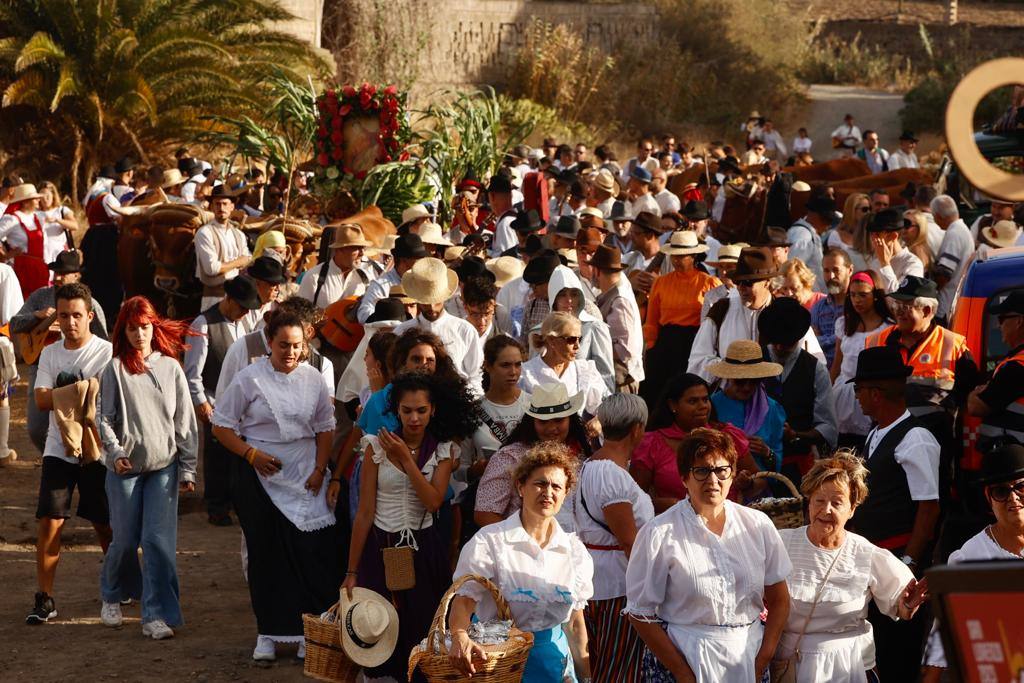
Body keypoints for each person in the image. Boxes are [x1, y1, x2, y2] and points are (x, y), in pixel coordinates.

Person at [212, 311, 339, 661]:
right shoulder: (249, 378)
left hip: (305, 471)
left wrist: (319, 468)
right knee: (266, 553)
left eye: (297, 345)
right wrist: (251, 454)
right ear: (269, 342)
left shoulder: (314, 378)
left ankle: (305, 632)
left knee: (307, 552)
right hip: (261, 475)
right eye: (283, 345)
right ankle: (268, 633)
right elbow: (221, 426)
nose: (291, 352)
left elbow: (325, 426)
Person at [625, 427, 792, 682]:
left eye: (721, 470)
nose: (713, 481)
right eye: (701, 471)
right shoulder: (659, 532)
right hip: (687, 657)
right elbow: (640, 613)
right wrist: (682, 672)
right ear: (684, 477)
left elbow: (779, 599)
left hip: (748, 657)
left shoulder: (757, 525)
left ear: (733, 474)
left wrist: (763, 657)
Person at [344, 371, 478, 681]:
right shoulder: (374, 446)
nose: (414, 418)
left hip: (424, 547)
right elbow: (364, 512)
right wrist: (351, 572)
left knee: (423, 633)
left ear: (433, 410)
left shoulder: (444, 449)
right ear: (396, 411)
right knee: (378, 632)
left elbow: (433, 501)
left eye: (421, 410)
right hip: (379, 547)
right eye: (407, 410)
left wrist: (406, 459)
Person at [775, 451, 928, 683]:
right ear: (809, 503)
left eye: (837, 503)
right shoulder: (781, 543)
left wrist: (908, 604)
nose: (827, 510)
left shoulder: (865, 553)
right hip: (790, 666)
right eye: (819, 500)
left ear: (852, 509)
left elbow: (902, 605)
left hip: (847, 667)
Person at [96, 296, 199, 639]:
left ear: (154, 328)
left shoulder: (171, 368)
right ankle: (112, 594)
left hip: (164, 468)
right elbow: (104, 418)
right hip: (125, 469)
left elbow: (184, 422)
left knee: (157, 543)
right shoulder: (115, 369)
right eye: (132, 328)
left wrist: (187, 469)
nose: (139, 334)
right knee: (124, 540)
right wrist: (114, 452)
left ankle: (155, 615)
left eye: (144, 327)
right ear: (122, 331)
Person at [449, 442, 593, 682]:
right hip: (496, 663)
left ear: (565, 493)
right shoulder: (489, 542)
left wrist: (586, 678)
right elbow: (464, 603)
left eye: (557, 486)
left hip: (553, 666)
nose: (548, 492)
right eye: (540, 483)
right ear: (520, 486)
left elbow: (576, 624)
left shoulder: (575, 552)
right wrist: (459, 636)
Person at [849, 346, 942, 680]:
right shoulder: (876, 433)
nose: (857, 398)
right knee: (877, 648)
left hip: (899, 560)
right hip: (874, 559)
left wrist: (909, 564)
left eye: (859, 390)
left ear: (876, 394)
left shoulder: (916, 439)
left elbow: (928, 509)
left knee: (897, 650)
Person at [26, 282, 114, 625]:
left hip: (96, 450)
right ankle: (45, 597)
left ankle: (118, 583)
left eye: (77, 315)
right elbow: (40, 400)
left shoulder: (106, 352)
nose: (70, 322)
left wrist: (65, 393)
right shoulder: (49, 353)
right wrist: (84, 389)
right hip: (57, 449)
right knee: (49, 522)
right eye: (63, 316)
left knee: (105, 525)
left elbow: (97, 398)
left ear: (90, 316)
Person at [921, 443, 1024, 680]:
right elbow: (944, 634)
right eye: (1001, 491)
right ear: (989, 498)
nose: (1013, 498)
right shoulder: (970, 556)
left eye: (1021, 487)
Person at [569, 394, 652, 683]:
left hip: (598, 579)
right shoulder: (610, 474)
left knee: (602, 666)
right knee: (618, 670)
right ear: (637, 429)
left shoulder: (591, 466)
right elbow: (629, 541)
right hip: (618, 587)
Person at [10, 251, 107, 453]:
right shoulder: (40, 296)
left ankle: (77, 457)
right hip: (41, 364)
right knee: (36, 428)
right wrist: (36, 316)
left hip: (80, 370)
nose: (59, 277)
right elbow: (15, 324)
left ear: (77, 275)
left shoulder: (91, 304)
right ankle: (55, 456)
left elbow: (103, 339)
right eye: (56, 272)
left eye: (65, 273)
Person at [184, 275, 261, 526]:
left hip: (241, 401)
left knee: (238, 456)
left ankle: (235, 502)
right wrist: (202, 403)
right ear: (228, 299)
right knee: (217, 457)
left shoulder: (243, 323)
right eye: (241, 307)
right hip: (215, 400)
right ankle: (217, 506)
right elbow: (193, 372)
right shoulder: (203, 324)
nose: (243, 313)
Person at [689, 247, 825, 382]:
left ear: (767, 282)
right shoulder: (721, 310)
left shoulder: (787, 313)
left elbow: (816, 365)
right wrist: (730, 369)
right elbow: (697, 360)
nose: (741, 288)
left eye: (748, 282)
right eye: (738, 282)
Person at [474, 383, 593, 529]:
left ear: (570, 420)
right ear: (532, 422)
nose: (551, 428)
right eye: (543, 421)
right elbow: (485, 513)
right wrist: (523, 543)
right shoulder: (509, 457)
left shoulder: (583, 456)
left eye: (558, 420)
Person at [632, 373, 754, 512]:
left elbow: (760, 479)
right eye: (693, 401)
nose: (702, 406)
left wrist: (747, 483)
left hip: (726, 523)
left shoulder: (727, 436)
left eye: (705, 399)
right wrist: (669, 505)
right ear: (673, 405)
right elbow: (636, 498)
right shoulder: (652, 443)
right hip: (674, 524)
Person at [759, 297, 839, 479]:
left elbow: (828, 427)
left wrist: (795, 434)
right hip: (756, 464)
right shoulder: (755, 362)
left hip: (798, 464)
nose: (779, 346)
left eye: (786, 342)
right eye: (776, 340)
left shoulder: (815, 369)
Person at [642, 231, 720, 403]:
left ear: (693, 256)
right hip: (665, 342)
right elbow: (652, 319)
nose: (676, 260)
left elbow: (718, 320)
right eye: (674, 256)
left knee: (689, 391)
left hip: (696, 342)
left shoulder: (709, 283)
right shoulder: (661, 282)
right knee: (658, 393)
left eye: (682, 256)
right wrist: (651, 346)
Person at [463, 336, 531, 525]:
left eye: (518, 365)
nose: (513, 372)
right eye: (505, 365)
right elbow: (459, 470)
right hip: (488, 508)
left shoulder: (533, 405)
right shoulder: (473, 411)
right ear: (488, 366)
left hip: (529, 501)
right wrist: (477, 470)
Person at [392, 257, 485, 395]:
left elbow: (475, 375)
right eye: (425, 301)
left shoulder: (464, 330)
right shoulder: (401, 332)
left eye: (436, 301)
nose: (431, 307)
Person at [831, 270, 892, 449]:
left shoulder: (887, 328)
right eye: (853, 295)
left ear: (875, 296)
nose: (857, 300)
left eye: (863, 295)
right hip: (843, 393)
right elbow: (837, 364)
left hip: (869, 393)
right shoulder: (844, 324)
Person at [709, 339, 788, 474]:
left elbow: (778, 464)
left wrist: (767, 452)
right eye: (741, 381)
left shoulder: (772, 409)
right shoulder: (711, 406)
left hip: (760, 488)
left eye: (754, 381)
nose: (747, 387)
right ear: (729, 377)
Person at [520, 312, 608, 418]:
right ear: (552, 340)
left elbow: (604, 406)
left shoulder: (584, 370)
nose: (577, 346)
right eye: (571, 340)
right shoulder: (525, 373)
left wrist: (598, 420)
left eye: (579, 339)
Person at [548, 265, 615, 391]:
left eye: (573, 294)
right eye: (562, 294)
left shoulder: (595, 327)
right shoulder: (540, 331)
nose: (569, 300)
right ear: (554, 298)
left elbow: (606, 377)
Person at [593, 245, 644, 393]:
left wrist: (597, 351)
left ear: (596, 271)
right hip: (617, 378)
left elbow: (624, 349)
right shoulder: (615, 295)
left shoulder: (619, 300)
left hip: (621, 381)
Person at [194, 184, 250, 310]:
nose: (221, 208)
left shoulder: (239, 234)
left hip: (237, 298)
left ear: (232, 207)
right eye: (217, 204)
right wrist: (239, 261)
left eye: (225, 204)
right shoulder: (205, 232)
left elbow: (248, 260)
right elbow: (212, 269)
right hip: (213, 298)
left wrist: (243, 261)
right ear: (212, 207)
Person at [297, 223, 372, 309]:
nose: (362, 253)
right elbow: (300, 315)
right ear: (339, 250)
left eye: (363, 248)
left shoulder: (367, 276)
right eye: (356, 248)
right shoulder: (313, 277)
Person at [356, 233, 428, 324]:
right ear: (403, 260)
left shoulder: (425, 281)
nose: (422, 262)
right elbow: (363, 315)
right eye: (418, 258)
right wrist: (390, 316)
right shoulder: (380, 286)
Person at [0, 183, 51, 297]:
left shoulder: (39, 217)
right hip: (22, 269)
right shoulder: (12, 219)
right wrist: (6, 255)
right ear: (25, 201)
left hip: (39, 268)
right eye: (35, 198)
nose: (39, 200)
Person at [930, 195, 974, 323]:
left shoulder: (955, 233)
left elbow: (944, 273)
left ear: (938, 216)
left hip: (947, 304)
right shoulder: (961, 229)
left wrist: (930, 291)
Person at [811, 249, 854, 368]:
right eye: (826, 271)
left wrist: (821, 340)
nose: (831, 276)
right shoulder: (818, 307)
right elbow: (810, 343)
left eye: (836, 270)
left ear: (850, 270)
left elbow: (852, 340)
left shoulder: (857, 305)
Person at [866, 208, 924, 293]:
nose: (873, 239)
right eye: (871, 234)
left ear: (893, 236)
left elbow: (902, 297)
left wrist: (885, 265)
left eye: (877, 234)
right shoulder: (874, 263)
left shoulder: (913, 263)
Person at [788, 196, 834, 292]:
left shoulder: (806, 233)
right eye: (826, 219)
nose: (828, 225)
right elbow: (791, 268)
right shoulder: (804, 235)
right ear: (815, 216)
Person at [824, 193, 871, 272]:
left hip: (869, 281)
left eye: (870, 209)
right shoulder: (836, 236)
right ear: (852, 210)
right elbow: (833, 266)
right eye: (865, 209)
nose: (868, 212)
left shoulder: (870, 234)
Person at [37, 181, 75, 270]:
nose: (45, 199)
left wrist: (57, 220)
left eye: (47, 196)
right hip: (42, 252)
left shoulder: (61, 210)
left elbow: (74, 225)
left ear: (53, 196)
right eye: (42, 196)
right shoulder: (35, 213)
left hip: (58, 252)